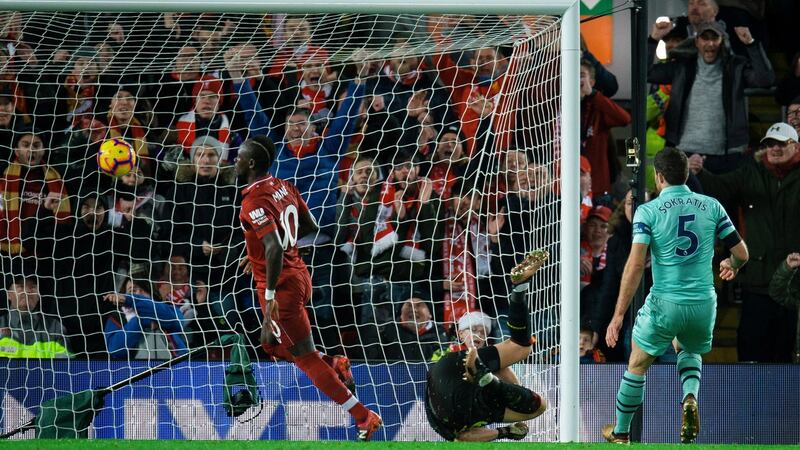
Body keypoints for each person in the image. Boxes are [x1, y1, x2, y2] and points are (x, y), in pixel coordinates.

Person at [234, 135, 382, 441]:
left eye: (239, 157)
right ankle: (333, 362)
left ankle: (363, 416)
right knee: (271, 346)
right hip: (300, 274)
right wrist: (258, 251)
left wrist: (270, 295)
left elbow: (274, 247)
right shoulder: (283, 186)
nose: (234, 161)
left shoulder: (252, 202)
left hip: (280, 287)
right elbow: (309, 226)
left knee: (304, 358)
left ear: (251, 163)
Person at [602, 147, 749, 444]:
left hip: (665, 302)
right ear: (686, 174)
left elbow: (635, 265)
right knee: (689, 349)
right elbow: (742, 253)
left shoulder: (649, 211)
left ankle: (621, 432)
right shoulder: (712, 206)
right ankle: (690, 397)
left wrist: (617, 315)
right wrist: (731, 264)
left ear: (658, 177)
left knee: (638, 364)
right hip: (703, 303)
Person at [688, 123, 800, 362]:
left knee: (788, 355)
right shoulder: (750, 172)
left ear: (796, 146)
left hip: (794, 285)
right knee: (751, 351)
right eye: (770, 144)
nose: (774, 148)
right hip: (757, 281)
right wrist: (699, 173)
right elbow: (718, 188)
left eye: (781, 143)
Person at [425, 250, 549, 442]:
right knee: (536, 400)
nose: (478, 334)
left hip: (449, 405)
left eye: (483, 331)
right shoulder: (448, 350)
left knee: (519, 359)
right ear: (460, 333)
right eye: (473, 329)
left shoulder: (457, 358)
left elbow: (463, 438)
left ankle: (490, 382)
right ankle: (519, 289)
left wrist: (506, 432)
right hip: (456, 390)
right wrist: (514, 401)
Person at [647, 20, 774, 175]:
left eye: (715, 38)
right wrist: (653, 39)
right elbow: (646, 73)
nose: (710, 43)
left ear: (722, 41)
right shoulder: (682, 67)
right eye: (705, 38)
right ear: (696, 42)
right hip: (684, 153)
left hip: (725, 157)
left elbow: (766, 79)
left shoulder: (735, 67)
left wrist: (751, 44)